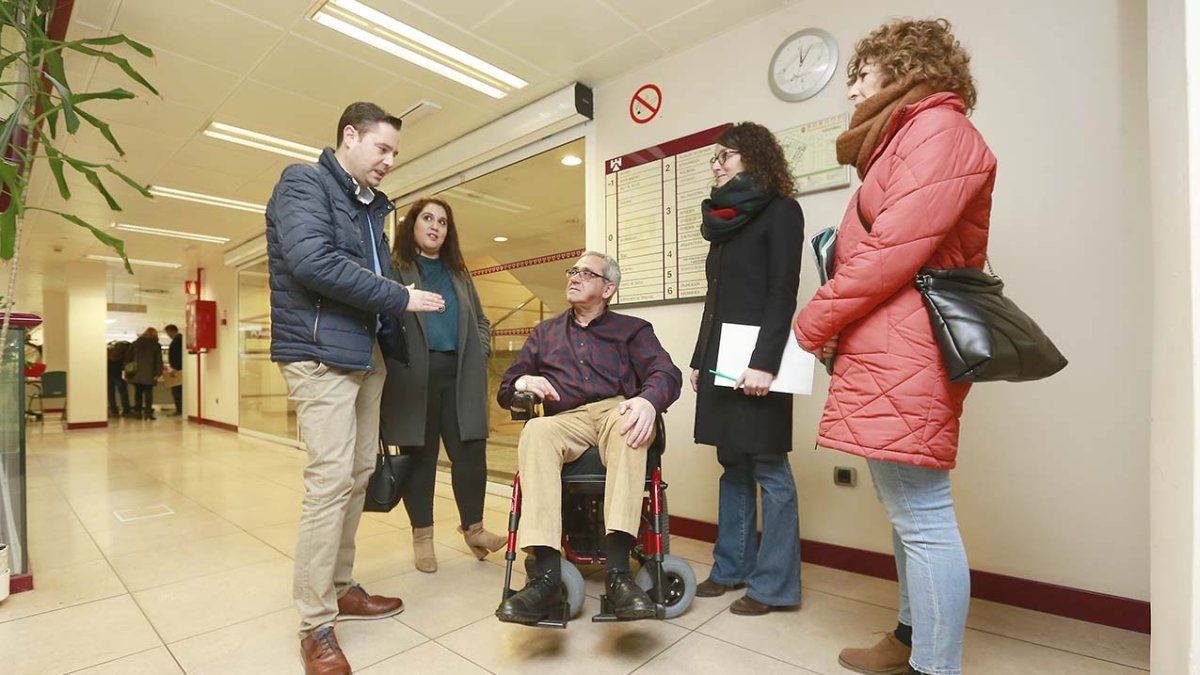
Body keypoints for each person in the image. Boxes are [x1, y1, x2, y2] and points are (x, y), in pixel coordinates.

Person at [792, 18, 996, 675]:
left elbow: (891, 252)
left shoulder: (941, 130)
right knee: (906, 510)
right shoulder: (907, 139)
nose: (851, 90)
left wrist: (811, 322)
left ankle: (934, 666)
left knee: (923, 515)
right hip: (890, 346)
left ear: (903, 68)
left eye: (861, 74)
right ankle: (909, 639)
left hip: (908, 350)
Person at [266, 101, 446, 675]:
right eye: (382, 148)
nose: (390, 160)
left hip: (365, 354)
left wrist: (391, 326)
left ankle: (341, 587)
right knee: (329, 481)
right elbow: (312, 263)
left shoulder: (371, 206)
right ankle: (315, 623)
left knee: (357, 475)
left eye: (395, 152)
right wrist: (400, 298)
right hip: (319, 353)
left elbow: (372, 273)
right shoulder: (304, 183)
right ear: (349, 136)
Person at [493, 252, 682, 624]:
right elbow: (506, 388)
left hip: (615, 410)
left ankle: (618, 574)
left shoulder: (632, 330)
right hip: (567, 418)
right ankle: (547, 576)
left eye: (585, 273)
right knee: (536, 430)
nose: (574, 277)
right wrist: (523, 381)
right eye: (573, 271)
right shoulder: (545, 334)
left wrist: (648, 401)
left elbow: (666, 373)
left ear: (608, 288)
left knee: (629, 422)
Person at [689, 122, 804, 615]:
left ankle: (775, 586)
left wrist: (764, 364)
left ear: (753, 157)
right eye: (714, 158)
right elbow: (715, 298)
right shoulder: (723, 220)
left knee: (770, 469)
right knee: (732, 463)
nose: (716, 165)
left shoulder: (782, 211)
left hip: (759, 362)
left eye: (725, 156)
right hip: (721, 357)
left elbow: (783, 292)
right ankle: (731, 568)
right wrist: (700, 358)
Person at [380, 197, 504, 573]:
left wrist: (480, 351)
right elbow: (383, 319)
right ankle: (423, 538)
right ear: (412, 225)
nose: (435, 226)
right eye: (428, 218)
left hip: (460, 375)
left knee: (471, 452)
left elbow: (481, 319)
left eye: (442, 222)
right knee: (421, 458)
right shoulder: (396, 269)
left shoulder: (459, 273)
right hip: (414, 378)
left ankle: (475, 530)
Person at [125, 327, 162, 420]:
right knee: (148, 394)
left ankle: (138, 413)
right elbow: (158, 360)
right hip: (149, 373)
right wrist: (158, 373)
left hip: (136, 373)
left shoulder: (135, 343)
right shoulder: (155, 345)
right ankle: (148, 413)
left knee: (138, 393)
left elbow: (127, 358)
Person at [106, 340, 132, 418]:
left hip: (109, 374)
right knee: (123, 393)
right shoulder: (124, 353)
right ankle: (126, 410)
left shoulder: (110, 352)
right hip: (119, 375)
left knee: (111, 393)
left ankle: (113, 410)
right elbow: (127, 363)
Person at [164, 324, 183, 416]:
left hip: (177, 370)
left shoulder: (176, 341)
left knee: (176, 390)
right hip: (181, 368)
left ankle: (179, 409)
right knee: (179, 390)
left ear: (170, 331)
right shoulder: (181, 339)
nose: (168, 335)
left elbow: (176, 355)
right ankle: (181, 409)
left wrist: (174, 368)